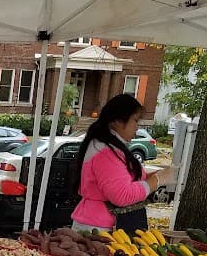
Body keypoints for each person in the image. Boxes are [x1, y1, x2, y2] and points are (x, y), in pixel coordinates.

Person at [71, 94, 174, 233]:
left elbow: (125, 179)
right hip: (99, 229)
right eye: (135, 121)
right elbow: (122, 195)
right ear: (118, 121)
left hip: (104, 225)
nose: (137, 128)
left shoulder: (110, 146)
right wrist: (156, 180)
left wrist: (156, 176)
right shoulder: (104, 151)